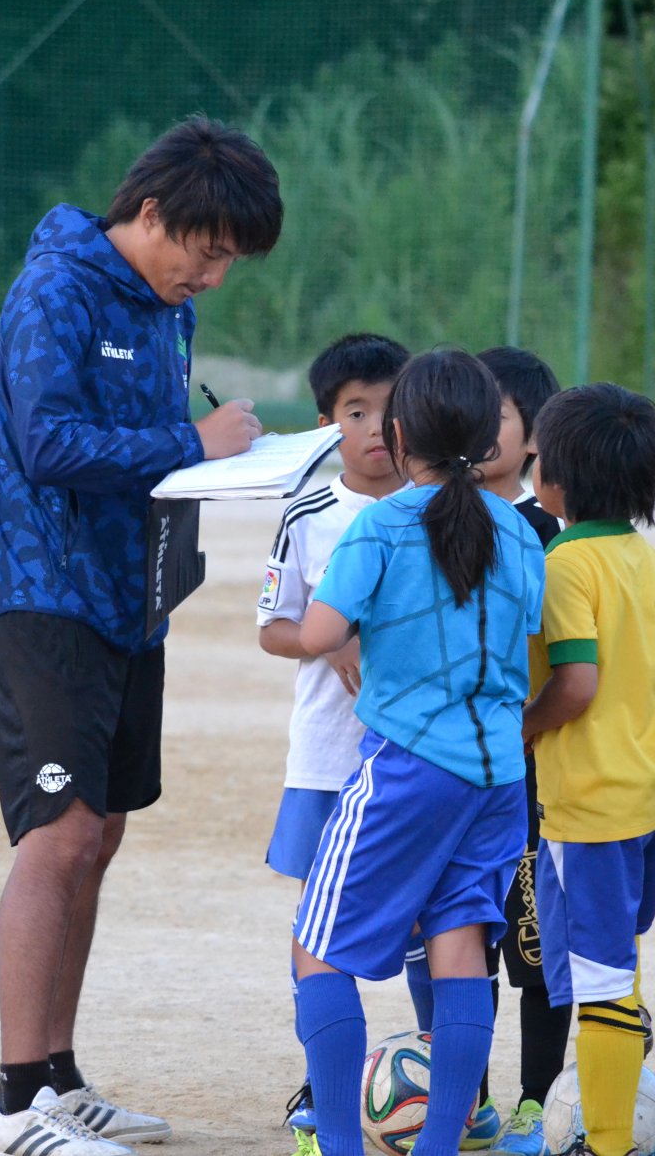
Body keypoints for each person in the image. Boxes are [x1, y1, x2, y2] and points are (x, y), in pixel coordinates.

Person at [0, 116, 282, 1156]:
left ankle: (57, 1079)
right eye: (205, 252)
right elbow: (45, 441)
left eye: (227, 262)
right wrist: (191, 442)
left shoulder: (166, 310)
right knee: (55, 838)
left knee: (98, 837)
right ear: (150, 213)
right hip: (43, 597)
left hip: (128, 602)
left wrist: (239, 465)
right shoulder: (54, 288)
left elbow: (151, 459)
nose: (212, 278)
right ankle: (12, 1107)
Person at [289, 349, 546, 1156]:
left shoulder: (382, 523)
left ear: (399, 437)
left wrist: (326, 617)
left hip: (405, 769)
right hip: (498, 776)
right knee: (460, 943)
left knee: (316, 950)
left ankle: (338, 1144)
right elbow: (530, 627)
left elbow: (320, 634)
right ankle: (439, 1145)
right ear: (484, 434)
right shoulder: (517, 528)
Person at [521, 383, 655, 1156]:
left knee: (598, 977)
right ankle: (619, 1059)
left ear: (556, 478)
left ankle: (608, 1143)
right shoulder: (644, 558)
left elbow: (576, 684)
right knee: (614, 953)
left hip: (592, 801)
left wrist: (519, 729)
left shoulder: (562, 562)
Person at [255, 331, 409, 1138]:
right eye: (357, 411)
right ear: (326, 424)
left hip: (418, 762)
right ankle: (323, 1087)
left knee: (430, 927)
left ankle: (445, 1082)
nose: (378, 427)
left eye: (390, 408)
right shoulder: (309, 512)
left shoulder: (437, 513)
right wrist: (330, 635)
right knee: (322, 929)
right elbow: (273, 629)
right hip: (328, 756)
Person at [471, 347, 573, 1156]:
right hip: (452, 769)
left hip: (531, 773)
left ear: (534, 436)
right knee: (457, 935)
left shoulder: (549, 539)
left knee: (535, 944)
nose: (474, 427)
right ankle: (464, 1093)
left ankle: (535, 1102)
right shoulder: (428, 517)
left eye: (495, 413)